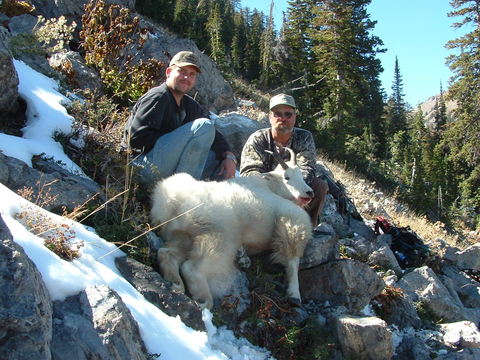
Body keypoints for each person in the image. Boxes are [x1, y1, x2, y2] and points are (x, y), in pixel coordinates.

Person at [124, 51, 237, 185]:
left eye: (191, 74)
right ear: (168, 72)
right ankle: (182, 196)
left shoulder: (189, 104)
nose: (186, 77)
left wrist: (228, 156)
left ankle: (209, 201)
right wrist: (180, 138)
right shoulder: (158, 97)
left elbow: (213, 134)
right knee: (203, 126)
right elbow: (136, 139)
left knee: (217, 161)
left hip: (164, 164)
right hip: (142, 166)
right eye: (181, 71)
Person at [240, 93, 329, 227]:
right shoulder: (257, 138)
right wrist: (276, 188)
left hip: (296, 188)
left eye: (288, 114)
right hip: (267, 191)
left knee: (319, 186)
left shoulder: (304, 137)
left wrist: (293, 188)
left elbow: (307, 168)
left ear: (294, 117)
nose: (283, 118)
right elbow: (249, 172)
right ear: (270, 116)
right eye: (277, 114)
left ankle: (306, 229)